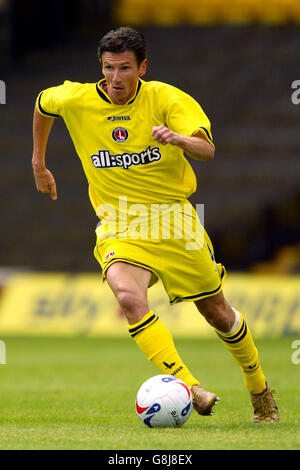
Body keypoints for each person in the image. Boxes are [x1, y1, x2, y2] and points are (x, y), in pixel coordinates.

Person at [32, 26, 278, 423]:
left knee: (216, 312)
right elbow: (43, 105)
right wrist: (38, 163)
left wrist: (179, 139)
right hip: (118, 222)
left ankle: (259, 388)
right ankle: (189, 386)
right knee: (128, 298)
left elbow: (208, 150)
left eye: (124, 68)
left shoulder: (165, 97)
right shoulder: (77, 98)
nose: (115, 78)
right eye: (109, 68)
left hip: (172, 220)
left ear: (142, 67)